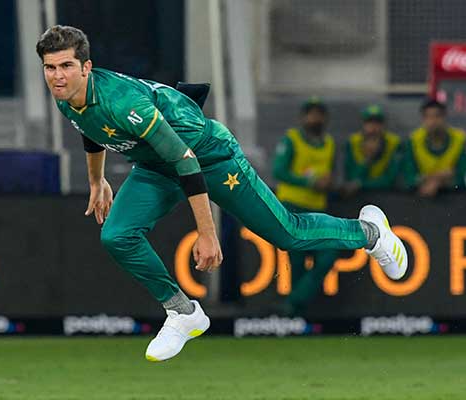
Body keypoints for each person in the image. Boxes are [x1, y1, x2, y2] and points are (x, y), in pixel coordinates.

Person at [36, 25, 408, 362]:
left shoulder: (122, 102)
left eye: (66, 66)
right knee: (117, 235)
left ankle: (371, 233)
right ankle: (182, 312)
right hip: (157, 164)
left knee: (287, 234)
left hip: (210, 157)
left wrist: (207, 233)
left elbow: (185, 160)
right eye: (50, 68)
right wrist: (96, 180)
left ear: (86, 67)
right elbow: (90, 126)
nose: (57, 76)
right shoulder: (65, 93)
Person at [272, 97, 340, 316]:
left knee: (328, 255)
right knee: (298, 262)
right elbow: (279, 171)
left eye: (319, 114)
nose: (315, 118)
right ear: (303, 117)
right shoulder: (291, 140)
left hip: (317, 210)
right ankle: (297, 313)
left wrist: (328, 183)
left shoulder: (329, 143)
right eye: (311, 114)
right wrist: (310, 182)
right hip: (291, 208)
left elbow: (330, 173)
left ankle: (293, 302)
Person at [403, 99, 466, 198]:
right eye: (428, 117)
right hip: (421, 198)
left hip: (456, 198)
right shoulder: (413, 141)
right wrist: (440, 177)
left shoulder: (460, 139)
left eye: (437, 116)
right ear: (423, 119)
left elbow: (461, 175)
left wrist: (437, 183)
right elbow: (409, 177)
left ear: (444, 117)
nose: (432, 121)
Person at [342, 105, 402, 196]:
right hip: (358, 198)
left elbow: (391, 179)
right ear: (363, 125)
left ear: (383, 125)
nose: (374, 128)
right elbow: (351, 178)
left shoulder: (394, 143)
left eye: (377, 123)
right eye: (370, 123)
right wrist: (367, 160)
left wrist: (362, 184)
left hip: (387, 196)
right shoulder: (353, 142)